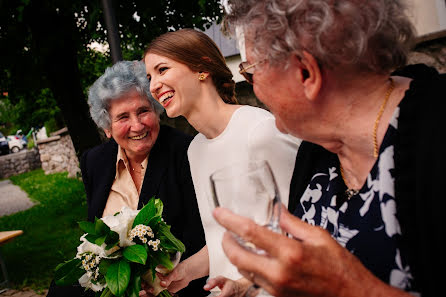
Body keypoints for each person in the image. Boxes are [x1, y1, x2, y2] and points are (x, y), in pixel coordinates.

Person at [212, 0, 446, 296]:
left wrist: (351, 289)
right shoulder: (316, 150)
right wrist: (252, 283)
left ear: (306, 73)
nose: (254, 89)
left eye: (251, 74)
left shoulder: (436, 131)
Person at [143, 29, 300, 296]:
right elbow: (221, 241)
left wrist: (245, 286)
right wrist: (181, 273)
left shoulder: (260, 132)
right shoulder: (196, 149)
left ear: (202, 68)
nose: (153, 85)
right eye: (150, 77)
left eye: (162, 69)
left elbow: (304, 234)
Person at [46, 61, 208, 297]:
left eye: (143, 111)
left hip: (172, 283)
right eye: (122, 117)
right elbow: (96, 231)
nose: (137, 125)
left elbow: (198, 239)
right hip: (113, 281)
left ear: (156, 111)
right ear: (107, 127)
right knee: (60, 290)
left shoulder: (186, 153)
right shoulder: (95, 161)